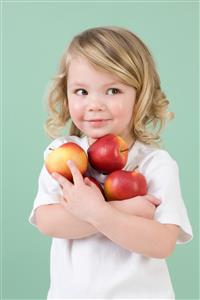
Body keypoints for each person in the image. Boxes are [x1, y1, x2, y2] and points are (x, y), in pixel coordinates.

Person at [29, 26, 193, 299]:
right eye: (81, 91)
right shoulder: (62, 154)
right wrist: (120, 209)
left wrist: (97, 212)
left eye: (113, 90)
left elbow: (163, 243)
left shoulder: (155, 165)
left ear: (140, 96)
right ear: (66, 93)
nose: (94, 104)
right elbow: (48, 221)